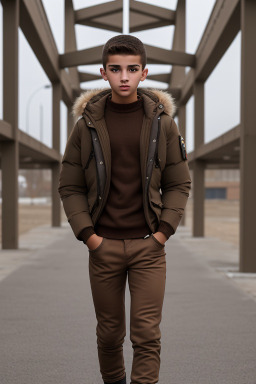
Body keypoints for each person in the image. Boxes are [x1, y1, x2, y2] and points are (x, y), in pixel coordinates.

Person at [58, 34, 191, 384]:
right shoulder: (85, 125)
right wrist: (89, 236)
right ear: (103, 73)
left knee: (147, 336)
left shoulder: (162, 122)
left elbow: (179, 182)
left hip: (149, 246)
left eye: (132, 69)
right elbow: (70, 185)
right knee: (109, 335)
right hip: (103, 247)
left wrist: (163, 232)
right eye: (115, 69)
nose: (124, 77)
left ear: (144, 73)